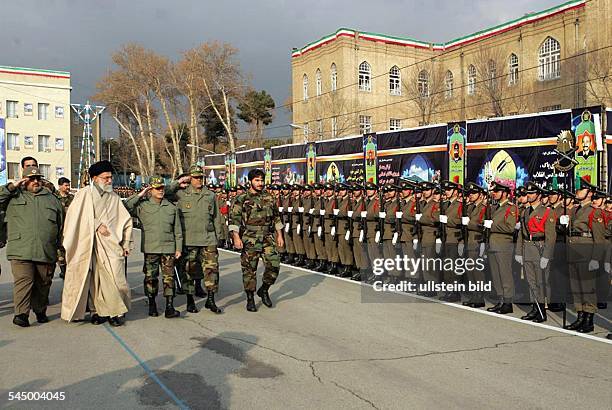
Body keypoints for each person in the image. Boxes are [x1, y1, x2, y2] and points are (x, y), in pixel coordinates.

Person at [61, 160, 133, 327]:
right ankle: (97, 312)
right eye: (105, 177)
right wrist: (95, 224)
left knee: (116, 279)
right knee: (93, 280)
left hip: (110, 246)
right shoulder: (83, 194)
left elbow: (125, 220)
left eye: (110, 177)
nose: (109, 181)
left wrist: (126, 243)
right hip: (86, 244)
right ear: (95, 178)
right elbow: (74, 219)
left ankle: (116, 312)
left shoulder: (114, 197)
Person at [0, 166, 64, 327]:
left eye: (38, 178)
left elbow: (60, 223)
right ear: (24, 180)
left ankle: (40, 310)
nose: (35, 181)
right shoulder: (13, 197)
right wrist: (12, 187)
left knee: (43, 283)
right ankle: (21, 314)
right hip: (21, 249)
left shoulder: (51, 199)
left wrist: (60, 247)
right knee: (24, 281)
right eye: (31, 178)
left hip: (45, 248)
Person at [166, 165, 223, 314]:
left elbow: (217, 217)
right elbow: (164, 193)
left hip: (208, 239)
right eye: (196, 177)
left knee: (212, 270)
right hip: (189, 240)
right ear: (190, 178)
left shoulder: (210, 195)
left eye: (200, 177)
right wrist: (178, 182)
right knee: (189, 271)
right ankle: (190, 300)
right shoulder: (181, 194)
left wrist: (220, 237)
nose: (199, 180)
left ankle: (210, 300)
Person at [125, 176, 182, 318]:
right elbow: (126, 206)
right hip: (151, 248)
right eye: (157, 188)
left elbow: (177, 230)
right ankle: (152, 304)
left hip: (168, 248)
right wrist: (140, 194)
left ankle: (170, 306)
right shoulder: (143, 206)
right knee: (151, 278)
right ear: (151, 189)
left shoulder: (171, 207)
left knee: (169, 278)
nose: (160, 191)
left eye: (162, 188)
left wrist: (178, 248)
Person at [229, 169, 284, 312]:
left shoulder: (269, 197)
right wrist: (236, 237)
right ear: (250, 181)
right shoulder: (241, 198)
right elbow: (234, 220)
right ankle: (250, 298)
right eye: (257, 180)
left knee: (274, 264)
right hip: (250, 237)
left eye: (261, 180)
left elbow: (276, 217)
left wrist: (279, 235)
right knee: (249, 270)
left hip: (267, 236)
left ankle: (264, 289)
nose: (260, 183)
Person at [563, 178, 607, 333]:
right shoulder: (573, 210)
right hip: (573, 251)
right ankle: (580, 316)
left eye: (581, 189)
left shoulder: (595, 212)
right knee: (576, 287)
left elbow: (599, 238)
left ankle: (589, 319)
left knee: (587, 287)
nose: (577, 191)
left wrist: (596, 258)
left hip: (587, 252)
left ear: (590, 193)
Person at [55, 177, 74, 279]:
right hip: (58, 228)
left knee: (70, 249)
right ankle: (63, 271)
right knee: (59, 251)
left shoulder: (72, 198)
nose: (68, 187)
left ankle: (69, 269)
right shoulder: (54, 198)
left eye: (68, 185)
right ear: (60, 186)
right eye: (66, 185)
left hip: (70, 228)